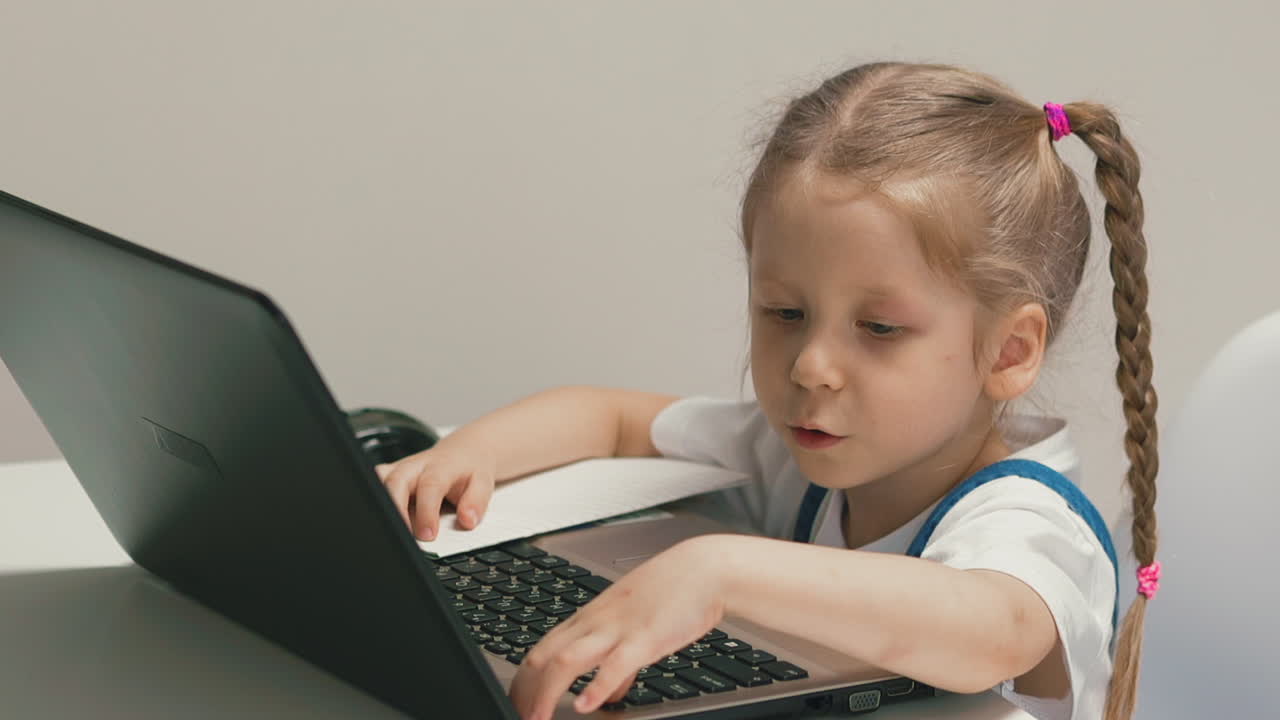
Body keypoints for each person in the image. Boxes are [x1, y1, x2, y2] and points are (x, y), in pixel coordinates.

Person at [375, 61, 1160, 720]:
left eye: (878, 328)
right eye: (785, 313)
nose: (810, 366)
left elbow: (994, 628)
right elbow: (608, 417)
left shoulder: (1028, 521)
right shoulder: (803, 448)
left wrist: (717, 572)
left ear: (1009, 352)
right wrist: (467, 454)